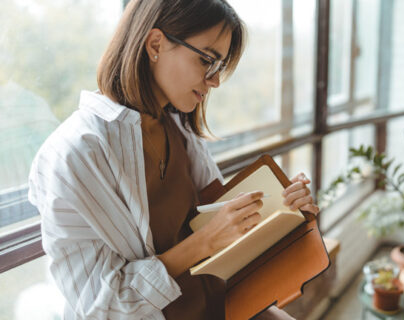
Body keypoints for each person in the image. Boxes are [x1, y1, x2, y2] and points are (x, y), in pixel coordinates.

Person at [27, 0, 319, 319]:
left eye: (219, 66)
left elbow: (223, 221)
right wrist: (202, 244)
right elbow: (101, 309)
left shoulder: (177, 127)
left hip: (223, 305)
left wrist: (284, 205)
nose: (215, 80)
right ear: (156, 44)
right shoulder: (75, 155)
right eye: (207, 60)